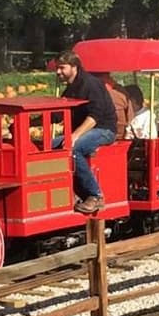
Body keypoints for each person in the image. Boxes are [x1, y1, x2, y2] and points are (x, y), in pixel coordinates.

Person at [54, 50, 118, 214]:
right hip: (83, 130)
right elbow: (56, 114)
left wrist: (75, 135)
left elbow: (95, 116)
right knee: (49, 146)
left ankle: (94, 195)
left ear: (74, 67)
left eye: (62, 68)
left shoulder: (91, 84)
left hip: (103, 129)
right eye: (57, 68)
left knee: (73, 148)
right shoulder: (70, 89)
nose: (58, 72)